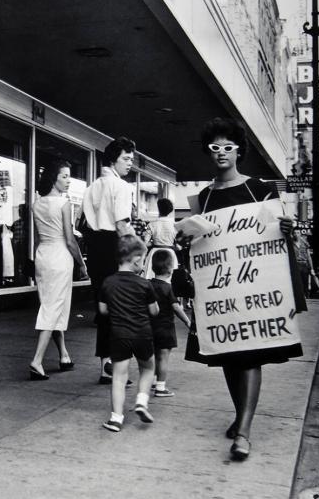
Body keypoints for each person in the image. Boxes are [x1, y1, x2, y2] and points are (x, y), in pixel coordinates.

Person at [189, 117, 303, 460]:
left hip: (255, 289)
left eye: (228, 148)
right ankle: (241, 415)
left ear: (239, 151)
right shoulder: (203, 199)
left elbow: (278, 239)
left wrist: (288, 227)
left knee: (251, 355)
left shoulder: (260, 190)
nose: (221, 153)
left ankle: (244, 432)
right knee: (227, 356)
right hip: (220, 293)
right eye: (215, 148)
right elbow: (199, 248)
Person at [82, 136, 136, 384]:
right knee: (122, 310)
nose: (130, 164)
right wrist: (137, 251)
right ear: (113, 159)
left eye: (131, 159)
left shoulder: (91, 187)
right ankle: (118, 368)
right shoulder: (121, 187)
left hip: (94, 249)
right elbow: (122, 224)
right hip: (114, 248)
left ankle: (106, 366)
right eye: (126, 159)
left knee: (103, 309)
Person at [29, 161, 88, 380]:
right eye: (64, 176)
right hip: (60, 256)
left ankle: (63, 355)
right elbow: (70, 240)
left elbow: (38, 236)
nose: (68, 180)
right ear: (54, 177)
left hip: (43, 255)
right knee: (53, 308)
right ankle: (37, 360)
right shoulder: (64, 204)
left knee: (52, 305)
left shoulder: (37, 204)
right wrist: (82, 264)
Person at [98, 235, 159, 432]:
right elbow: (154, 311)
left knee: (118, 377)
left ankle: (116, 418)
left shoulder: (108, 282)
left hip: (119, 335)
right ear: (136, 260)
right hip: (142, 334)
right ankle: (141, 400)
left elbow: (103, 310)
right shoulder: (144, 284)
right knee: (148, 368)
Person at [149, 249, 191, 397]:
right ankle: (161, 387)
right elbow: (176, 307)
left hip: (150, 328)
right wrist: (187, 321)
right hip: (165, 329)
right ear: (170, 269)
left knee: (155, 355)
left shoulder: (148, 285)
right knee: (164, 358)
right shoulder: (168, 288)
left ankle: (154, 380)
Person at [144, 198, 179, 280]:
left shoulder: (152, 224)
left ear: (159, 209)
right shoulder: (175, 225)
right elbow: (178, 246)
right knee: (169, 280)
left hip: (154, 253)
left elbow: (145, 243)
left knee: (151, 279)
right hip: (170, 253)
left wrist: (153, 243)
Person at [293, 231, 316, 297]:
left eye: (297, 233)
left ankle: (306, 296)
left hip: (304, 264)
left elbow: (309, 256)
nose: (296, 234)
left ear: (300, 234)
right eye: (294, 233)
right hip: (296, 264)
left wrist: (312, 268)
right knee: (297, 282)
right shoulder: (291, 243)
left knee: (305, 281)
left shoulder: (305, 243)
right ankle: (299, 296)